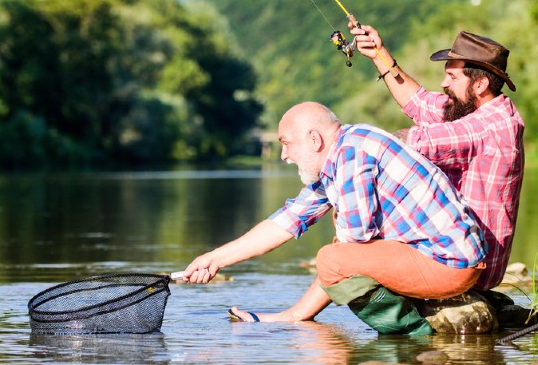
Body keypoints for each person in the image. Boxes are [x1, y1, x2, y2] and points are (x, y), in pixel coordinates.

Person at [182, 102, 486, 335]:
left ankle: (414, 332)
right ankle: (298, 315)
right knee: (337, 253)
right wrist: (215, 258)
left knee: (333, 256)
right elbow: (286, 221)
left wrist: (300, 308)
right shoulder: (342, 153)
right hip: (441, 257)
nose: (284, 156)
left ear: (314, 139)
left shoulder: (352, 155)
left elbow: (353, 242)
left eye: (286, 143)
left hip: (449, 264)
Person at [348, 24, 525, 293]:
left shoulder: (491, 125)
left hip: (470, 269)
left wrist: (353, 148)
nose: (444, 84)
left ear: (480, 84)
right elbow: (418, 102)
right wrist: (378, 54)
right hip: (460, 255)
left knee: (347, 254)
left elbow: (416, 142)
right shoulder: (474, 108)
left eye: (452, 78)